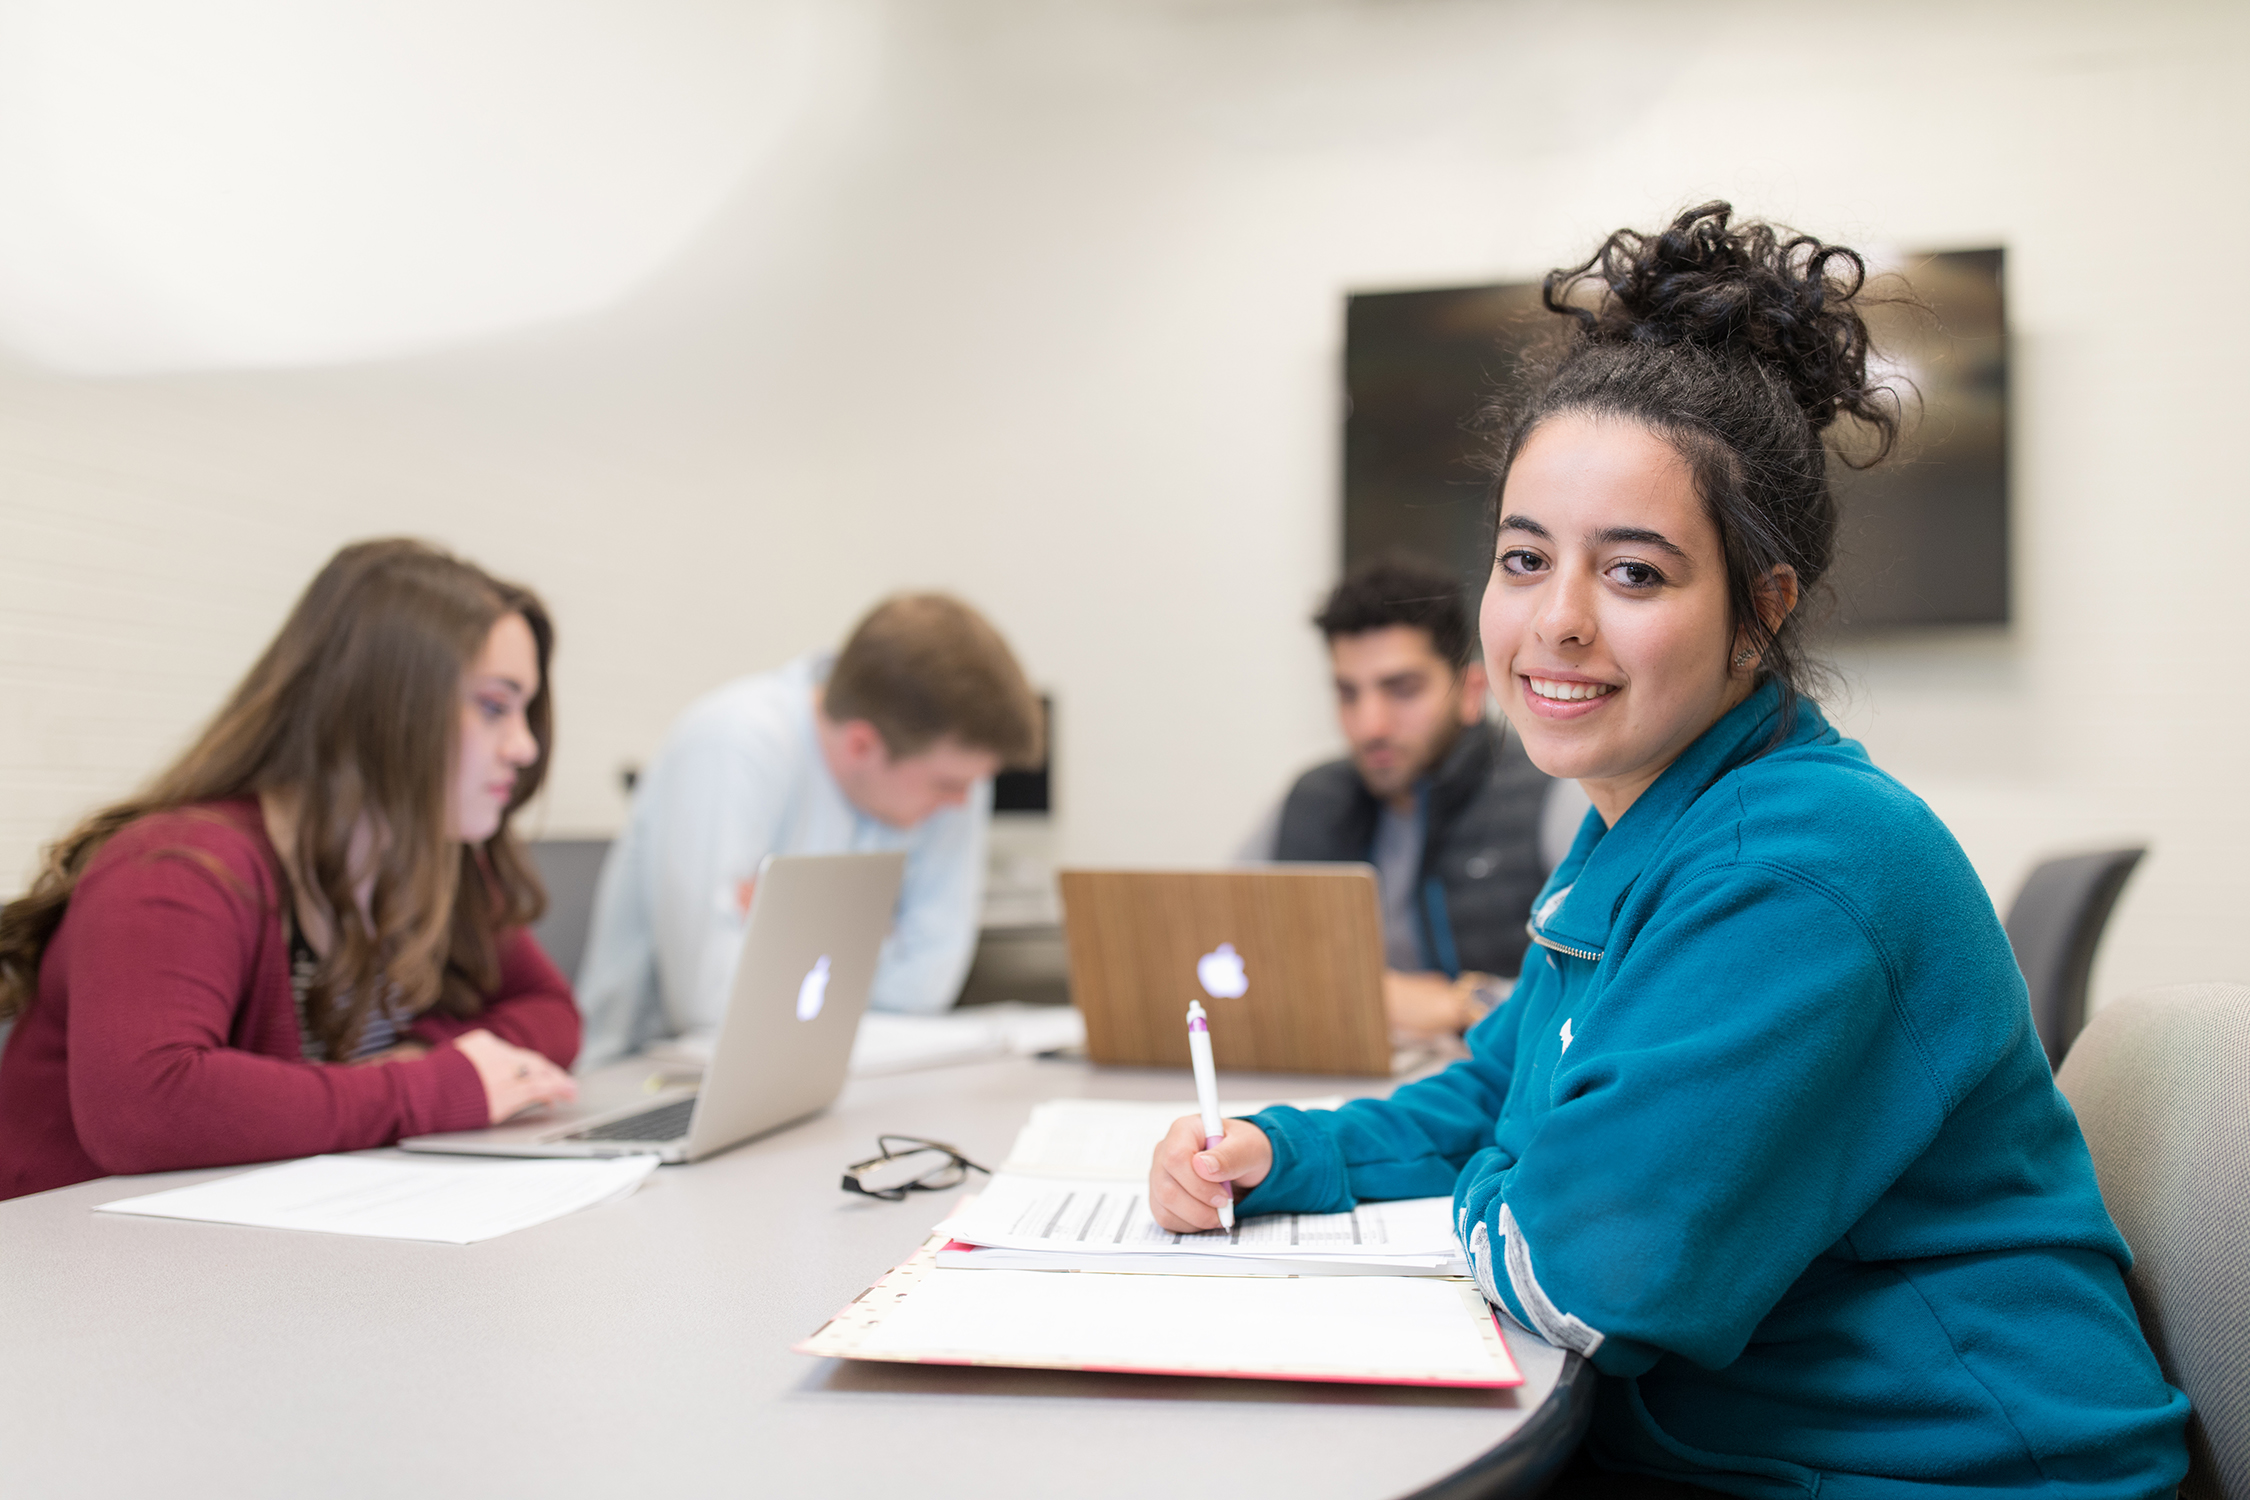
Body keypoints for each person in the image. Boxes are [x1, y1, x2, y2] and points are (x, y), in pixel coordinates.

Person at [1150, 204, 2189, 1494]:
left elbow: (1588, 1280)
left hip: (1960, 1477)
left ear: (1759, 614)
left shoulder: (1795, 866)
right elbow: (1495, 1094)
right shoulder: (1639, 831)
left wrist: (1526, 1169)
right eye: (1524, 558)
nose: (1556, 621)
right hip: (1753, 1453)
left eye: (1634, 574)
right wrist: (1287, 1153)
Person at [0, 539, 581, 1202]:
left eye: (526, 712)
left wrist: (428, 1060)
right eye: (495, 706)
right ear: (383, 708)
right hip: (78, 1248)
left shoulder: (435, 861)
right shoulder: (175, 869)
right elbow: (146, 1108)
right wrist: (432, 1088)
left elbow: (551, 1012)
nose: (525, 747)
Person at [576, 593, 1041, 1069]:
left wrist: (782, 930)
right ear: (861, 745)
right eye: (946, 785)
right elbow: (712, 1005)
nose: (960, 804)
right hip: (646, 1075)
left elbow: (923, 990)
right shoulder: (732, 746)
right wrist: (877, 938)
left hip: (852, 1070)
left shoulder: (951, 776)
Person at [1242, 556, 1560, 1037]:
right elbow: (1220, 944)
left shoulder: (1551, 795)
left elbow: (1604, 995)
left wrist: (1462, 1004)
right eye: (1349, 694)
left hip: (1491, 1075)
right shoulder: (1311, 801)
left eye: (1402, 690)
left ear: (1471, 691)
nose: (1370, 726)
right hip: (1341, 1070)